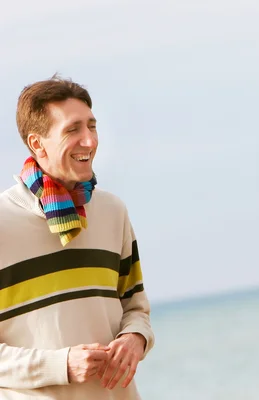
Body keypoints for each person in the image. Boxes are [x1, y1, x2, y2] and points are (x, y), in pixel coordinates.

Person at [0, 75, 155, 399]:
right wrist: (61, 364)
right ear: (37, 143)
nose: (89, 141)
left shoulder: (112, 211)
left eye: (92, 126)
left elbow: (135, 307)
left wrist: (134, 339)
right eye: (73, 130)